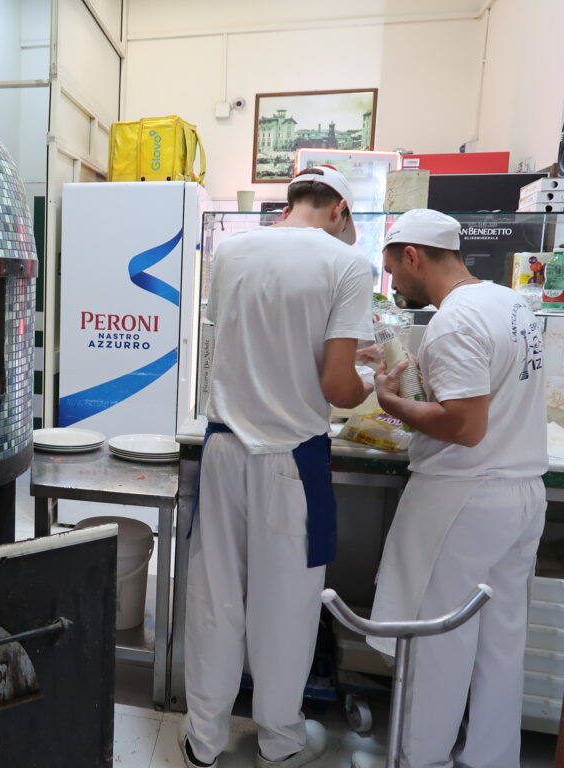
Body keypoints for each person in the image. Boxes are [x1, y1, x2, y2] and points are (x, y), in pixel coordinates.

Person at [180, 166, 375, 768]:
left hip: (223, 448)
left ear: (290, 201)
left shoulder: (232, 252)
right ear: (340, 209)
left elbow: (249, 340)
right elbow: (337, 386)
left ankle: (202, 741)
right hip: (291, 458)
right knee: (286, 605)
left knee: (214, 597)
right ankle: (280, 741)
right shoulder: (348, 264)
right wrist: (373, 382)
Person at [353, 209, 547, 768]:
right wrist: (416, 373)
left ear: (413, 256)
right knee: (499, 645)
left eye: (394, 270)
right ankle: (490, 759)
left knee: (436, 642)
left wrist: (392, 403)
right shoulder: (508, 302)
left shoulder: (456, 321)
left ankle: (420, 758)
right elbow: (486, 387)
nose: (394, 282)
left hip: (463, 499)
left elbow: (464, 426)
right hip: (518, 494)